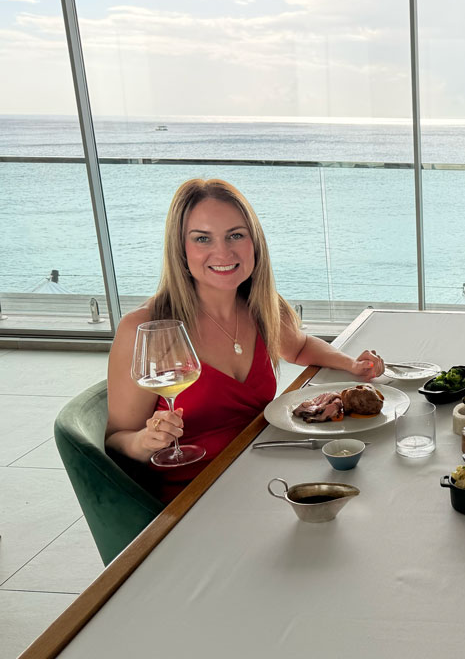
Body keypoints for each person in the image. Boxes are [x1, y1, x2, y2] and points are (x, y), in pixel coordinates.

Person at [106, 178, 384, 503]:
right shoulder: (144, 327)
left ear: (255, 242)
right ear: (180, 248)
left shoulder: (260, 305)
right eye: (202, 238)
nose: (223, 252)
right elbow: (116, 439)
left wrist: (351, 363)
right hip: (195, 495)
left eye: (236, 235)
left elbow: (298, 345)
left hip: (265, 470)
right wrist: (144, 440)